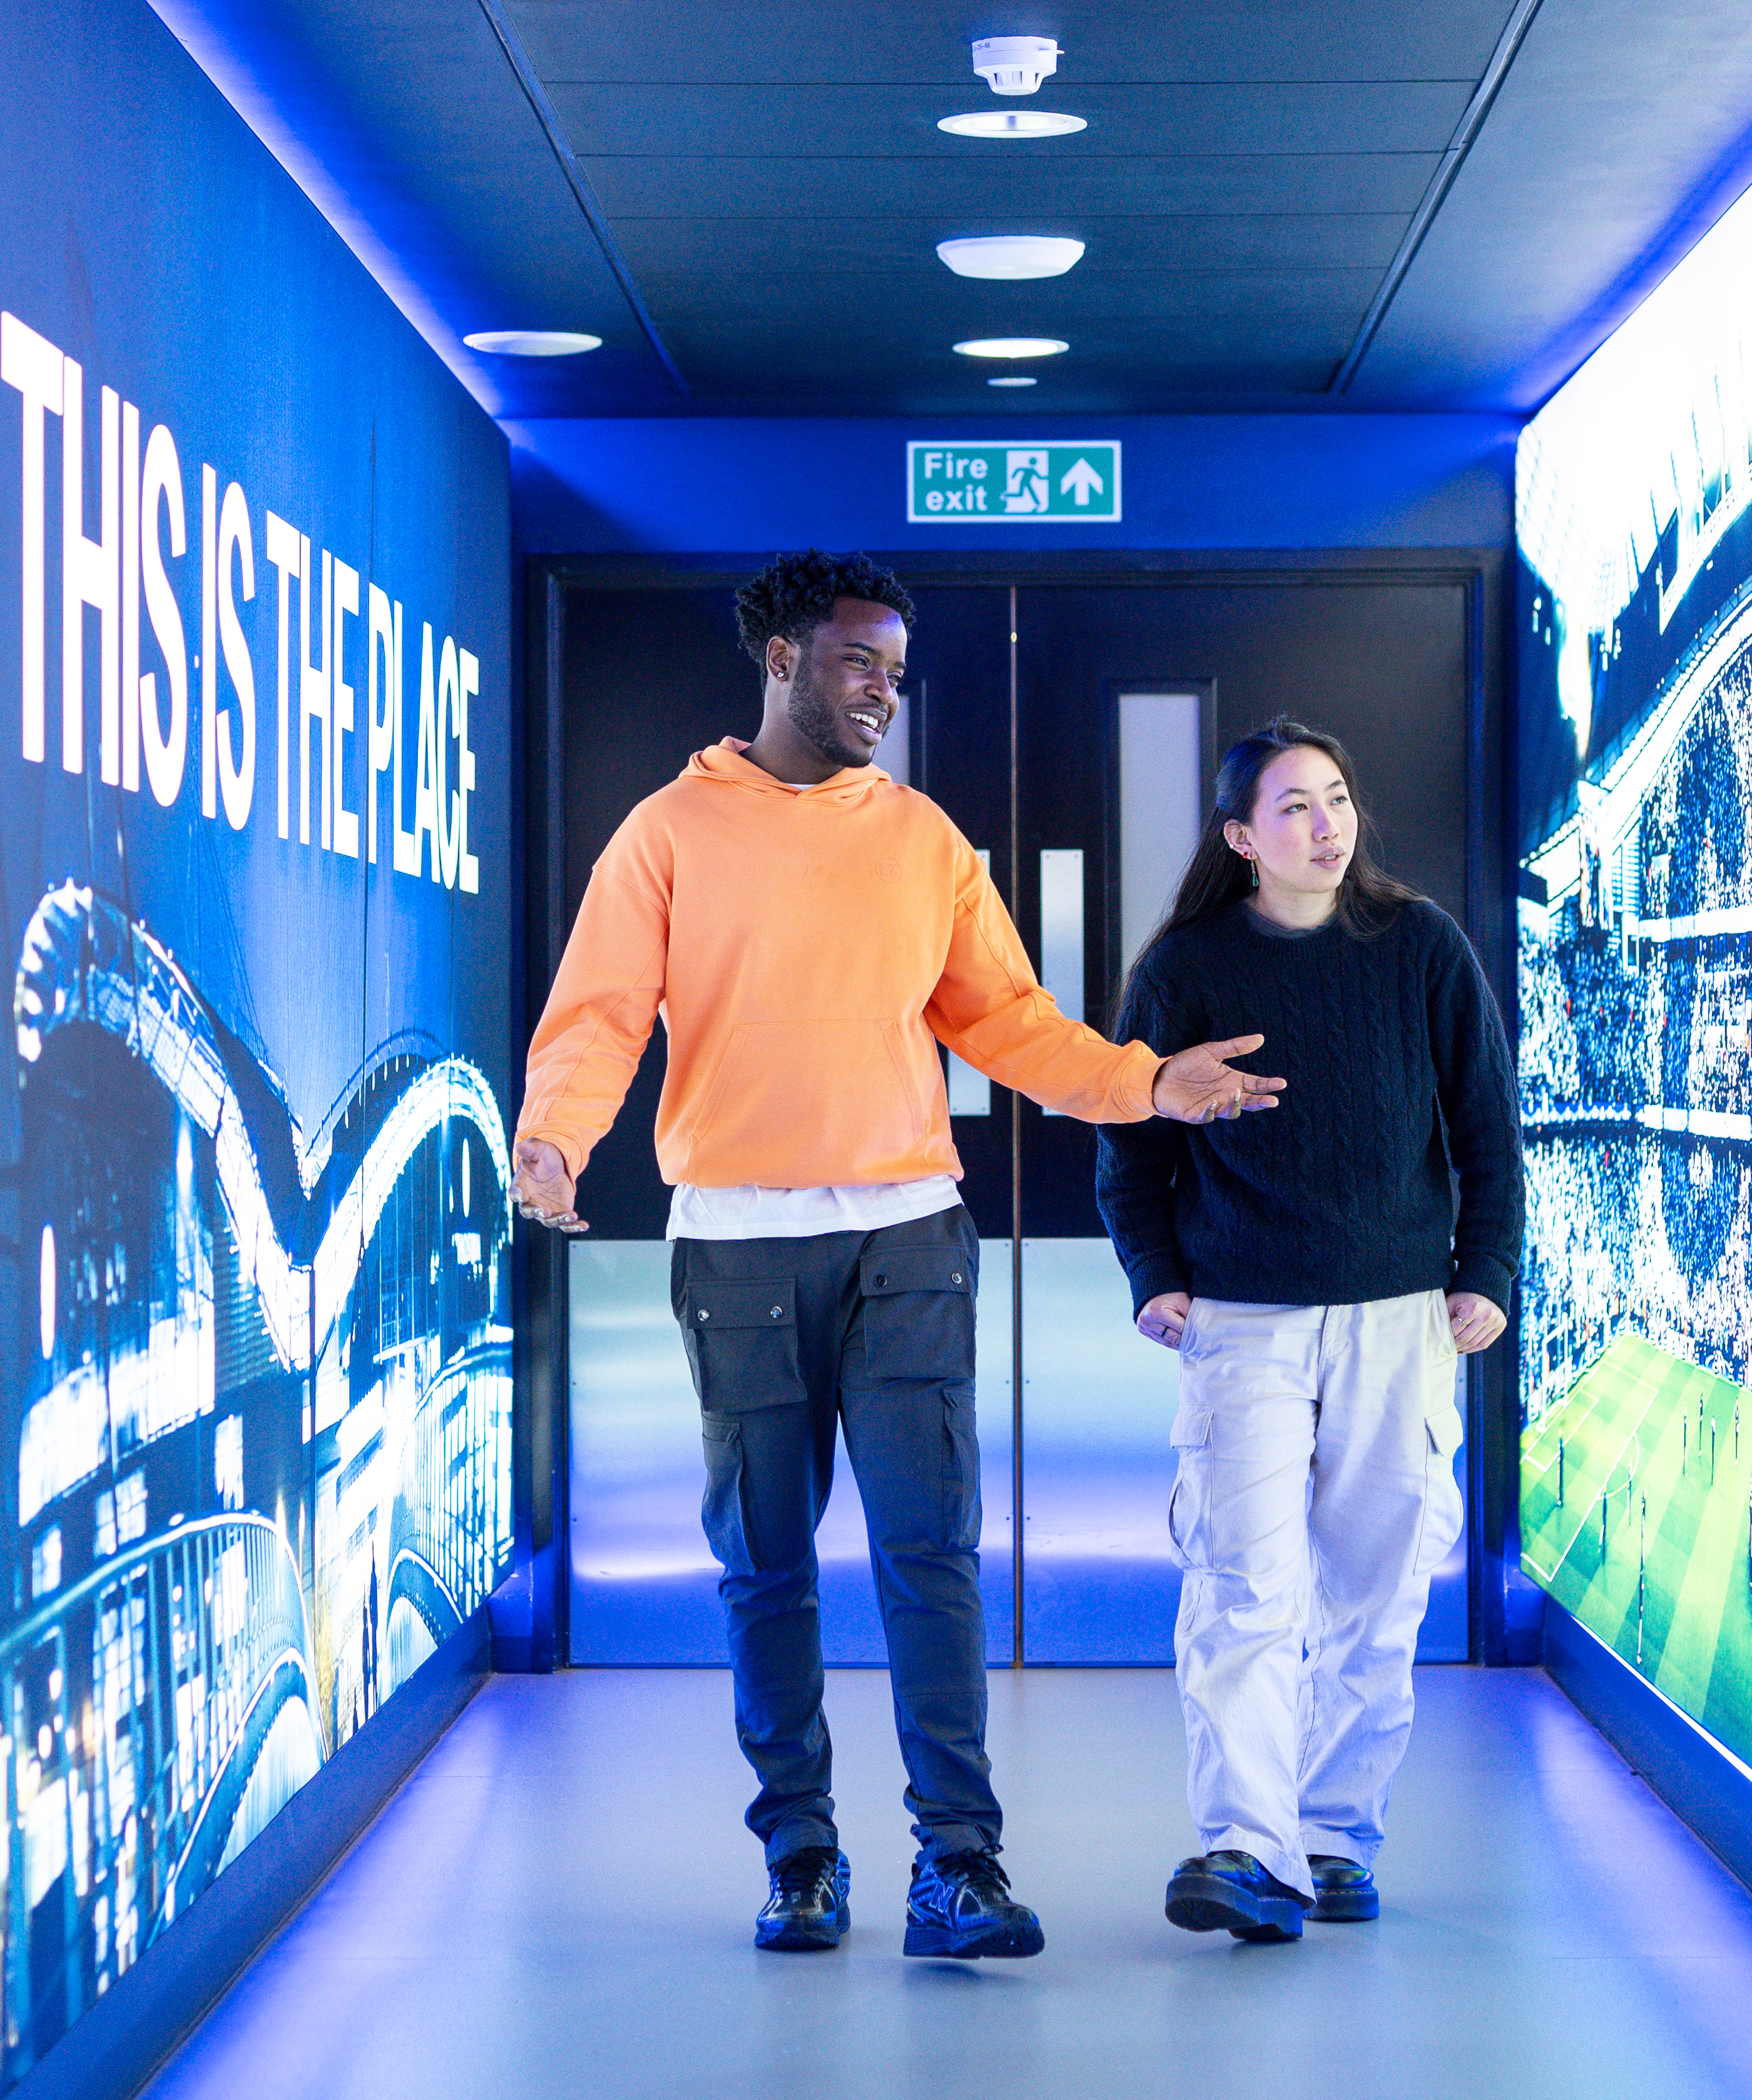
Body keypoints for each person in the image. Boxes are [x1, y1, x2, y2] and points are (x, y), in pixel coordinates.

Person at [515, 552, 1281, 1959]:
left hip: (908, 1240)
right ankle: (800, 1856)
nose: (886, 689)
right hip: (737, 1245)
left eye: (898, 668)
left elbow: (1005, 1019)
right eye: (860, 661)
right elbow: (600, 1011)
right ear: (783, 660)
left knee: (930, 1553)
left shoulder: (923, 839)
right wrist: (555, 1137)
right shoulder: (666, 833)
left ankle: (959, 1867)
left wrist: (1139, 1083)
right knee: (762, 1563)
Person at [1096, 718, 1517, 1943]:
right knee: (1242, 1584)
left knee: (1375, 1595)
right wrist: (1153, 1272)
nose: (1324, 825)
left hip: (1398, 1320)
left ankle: (1333, 1834)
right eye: (1291, 808)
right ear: (1238, 838)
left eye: (1334, 799)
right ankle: (1244, 1846)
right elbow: (1130, 1145)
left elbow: (1485, 1129)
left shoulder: (1420, 948)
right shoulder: (1181, 967)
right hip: (1242, 1324)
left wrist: (1482, 1268)